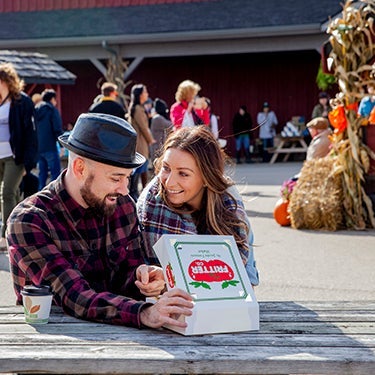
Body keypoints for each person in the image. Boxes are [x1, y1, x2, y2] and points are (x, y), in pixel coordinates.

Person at [6, 112, 194, 329]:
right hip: (53, 345)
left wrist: (144, 278)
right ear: (80, 168)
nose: (125, 189)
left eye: (128, 178)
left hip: (124, 340)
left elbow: (127, 276)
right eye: (115, 178)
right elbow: (73, 295)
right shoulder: (29, 221)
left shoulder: (123, 206)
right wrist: (143, 313)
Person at [136, 126, 259, 286]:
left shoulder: (231, 211)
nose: (169, 182)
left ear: (206, 177)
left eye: (183, 173)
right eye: (166, 168)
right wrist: (159, 279)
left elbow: (244, 284)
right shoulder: (150, 204)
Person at [0, 62, 37, 250]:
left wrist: (28, 163)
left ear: (6, 81)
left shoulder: (22, 102)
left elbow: (30, 133)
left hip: (15, 157)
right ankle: (15, 230)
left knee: (7, 192)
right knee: (12, 194)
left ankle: (5, 236)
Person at [127, 84, 156, 200]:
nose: (147, 94)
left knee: (140, 170)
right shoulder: (138, 109)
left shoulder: (139, 108)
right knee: (138, 170)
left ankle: (134, 193)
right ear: (140, 94)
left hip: (140, 143)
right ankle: (133, 194)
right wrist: (150, 139)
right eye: (145, 92)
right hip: (140, 143)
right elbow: (143, 127)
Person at [35, 89, 64, 190]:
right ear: (52, 99)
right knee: (55, 175)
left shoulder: (36, 109)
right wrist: (62, 146)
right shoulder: (52, 110)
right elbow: (57, 128)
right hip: (50, 147)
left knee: (42, 175)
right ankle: (54, 200)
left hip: (39, 148)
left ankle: (39, 199)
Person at [150, 98, 172, 164]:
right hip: (157, 148)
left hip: (159, 147)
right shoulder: (158, 118)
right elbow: (171, 125)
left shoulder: (157, 117)